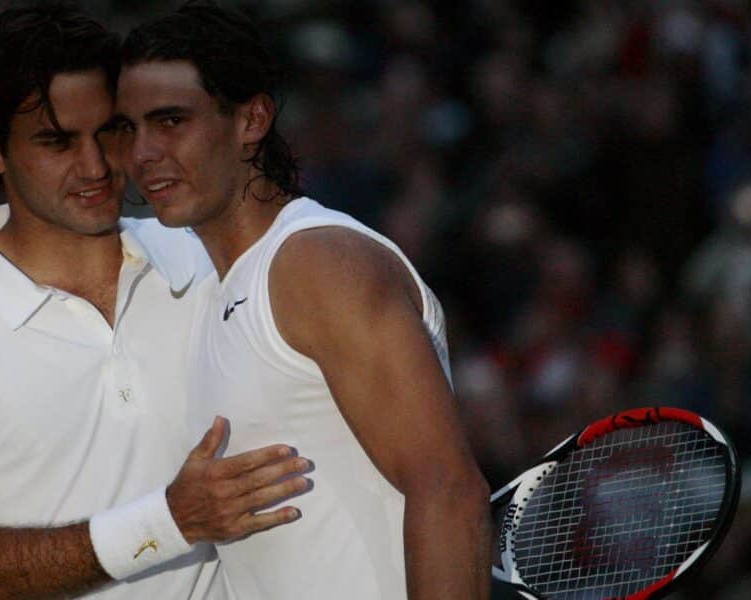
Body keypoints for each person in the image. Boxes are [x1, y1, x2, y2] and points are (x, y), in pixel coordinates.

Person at [0, 3, 310, 598]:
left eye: (110, 131)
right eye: (57, 141)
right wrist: (169, 522)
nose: (96, 166)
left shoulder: (206, 260)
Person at [117, 3, 492, 599]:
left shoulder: (318, 264)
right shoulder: (218, 288)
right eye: (129, 128)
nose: (142, 154)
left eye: (170, 122)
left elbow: (447, 491)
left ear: (252, 119)